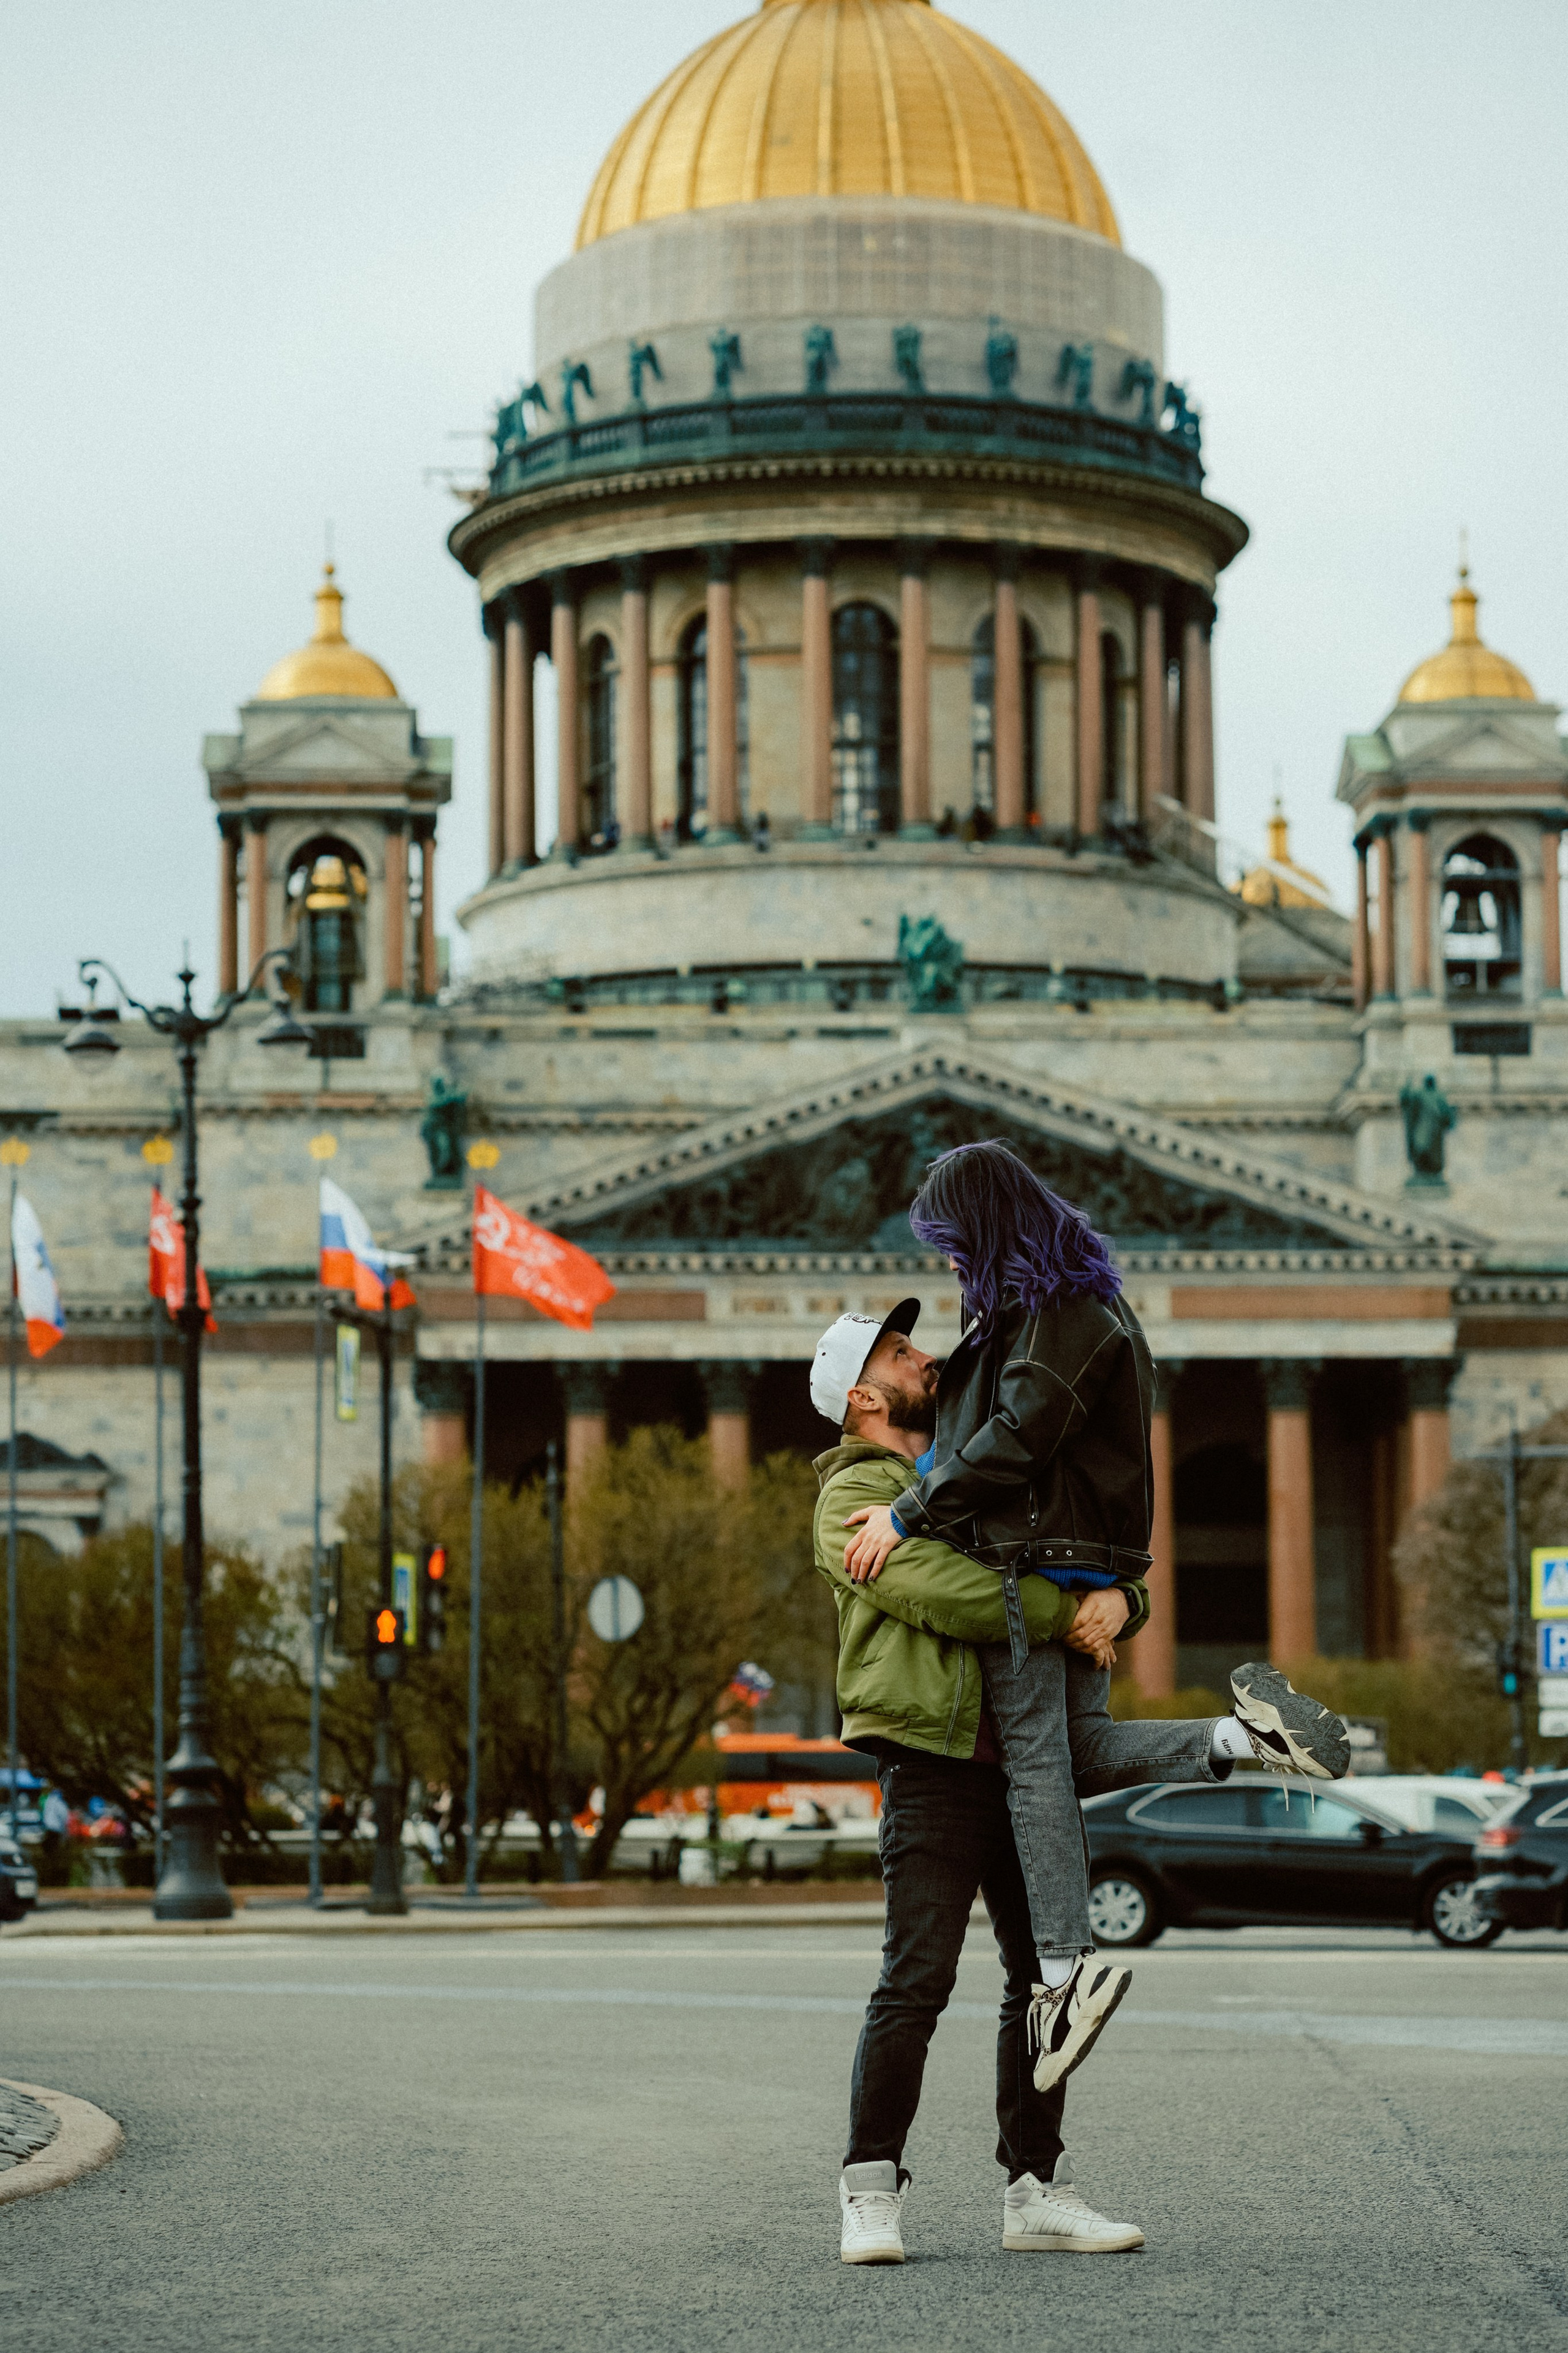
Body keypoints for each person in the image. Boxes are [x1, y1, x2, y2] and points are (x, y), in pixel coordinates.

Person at [813, 1291, 1344, 2265]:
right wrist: (1070, 1613)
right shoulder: (851, 1502)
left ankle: (1033, 2188)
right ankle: (870, 2189)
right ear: (861, 1395)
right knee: (915, 1982)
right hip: (933, 1765)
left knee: (1040, 1983)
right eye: (899, 1352)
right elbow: (957, 1595)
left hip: (1030, 1761)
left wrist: (1121, 1595)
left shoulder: (970, 1466)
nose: (925, 1357)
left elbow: (1074, 1547)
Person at [840, 1143, 1349, 2097]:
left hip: (1038, 1558)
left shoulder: (1052, 1312)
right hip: (1080, 1565)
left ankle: (1065, 1977)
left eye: (953, 1248)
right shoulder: (1075, 1303)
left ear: (984, 1226)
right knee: (1083, 1747)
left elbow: (1024, 1434)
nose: (950, 1270)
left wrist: (910, 1511)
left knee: (1039, 1766)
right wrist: (1125, 1584)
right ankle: (1245, 1740)